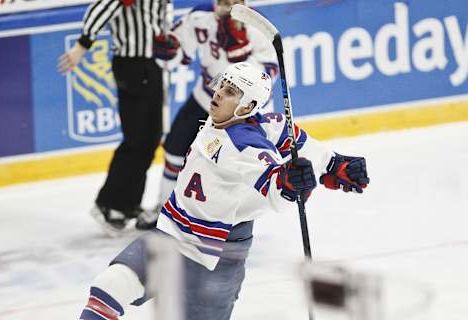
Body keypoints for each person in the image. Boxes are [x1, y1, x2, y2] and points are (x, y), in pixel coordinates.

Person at [77, 62, 370, 320]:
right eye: (222, 85)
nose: (218, 93)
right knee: (110, 286)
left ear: (246, 107)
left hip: (215, 256)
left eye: (231, 92)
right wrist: (333, 164)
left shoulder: (242, 145)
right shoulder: (252, 122)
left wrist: (288, 184)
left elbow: (273, 184)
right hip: (171, 234)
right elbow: (287, 134)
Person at [135, 0, 279, 229]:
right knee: (174, 149)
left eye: (235, 2)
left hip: (242, 110)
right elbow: (179, 51)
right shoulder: (201, 17)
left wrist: (239, 56)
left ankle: (229, 220)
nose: (229, 7)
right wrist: (168, 50)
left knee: (231, 165)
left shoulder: (259, 27)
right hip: (208, 97)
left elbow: (269, 75)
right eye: (223, 2)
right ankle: (164, 208)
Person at [57, 0, 175, 236]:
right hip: (133, 64)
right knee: (137, 138)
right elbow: (101, 6)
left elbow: (161, 18)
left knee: (150, 138)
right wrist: (83, 44)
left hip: (152, 64)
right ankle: (109, 205)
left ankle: (128, 205)